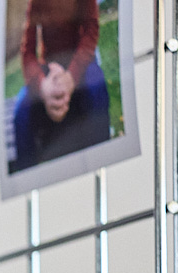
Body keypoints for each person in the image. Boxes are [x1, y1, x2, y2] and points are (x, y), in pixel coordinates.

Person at [9, 0, 113, 171]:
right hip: (50, 68)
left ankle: (103, 164)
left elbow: (90, 32)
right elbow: (27, 50)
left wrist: (71, 76)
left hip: (80, 62)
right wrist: (42, 85)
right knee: (21, 111)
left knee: (97, 92)